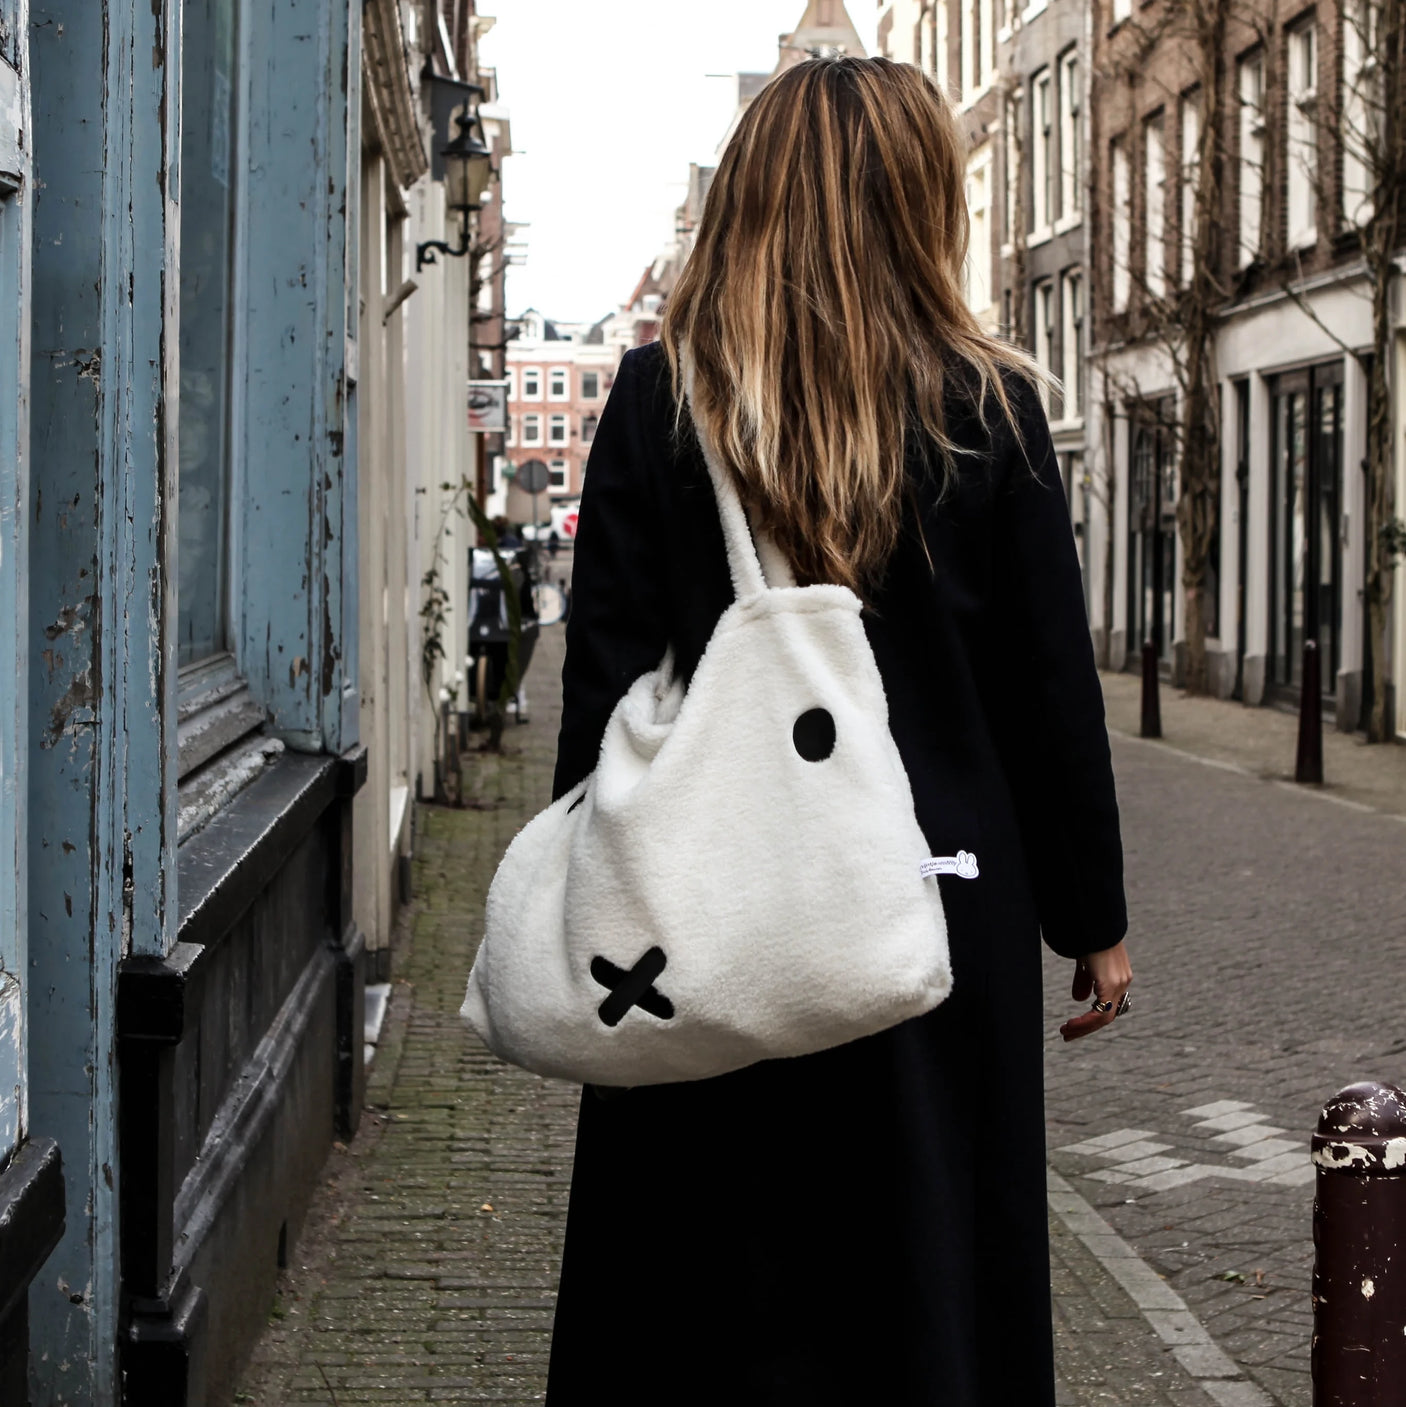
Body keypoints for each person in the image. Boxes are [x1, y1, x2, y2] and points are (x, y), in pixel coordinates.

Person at [545, 56, 1129, 1406]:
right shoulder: (987, 408)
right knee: (929, 1255)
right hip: (929, 904)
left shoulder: (658, 400)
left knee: (696, 1269)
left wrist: (603, 875)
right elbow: (1049, 689)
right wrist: (1087, 916)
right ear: (921, 202)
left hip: (708, 901)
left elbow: (606, 680)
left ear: (748, 201)